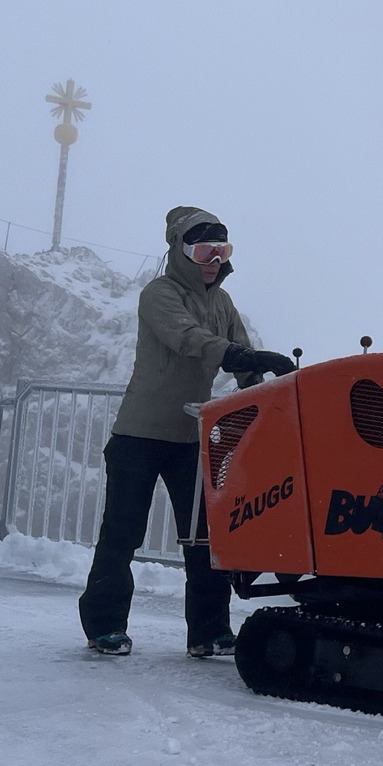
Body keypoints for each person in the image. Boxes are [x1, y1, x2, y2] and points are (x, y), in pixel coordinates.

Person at [79, 206, 295, 658]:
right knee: (123, 534)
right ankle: (104, 626)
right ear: (180, 250)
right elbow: (189, 338)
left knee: (205, 538)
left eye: (221, 249)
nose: (213, 259)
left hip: (192, 438)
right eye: (202, 249)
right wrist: (241, 358)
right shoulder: (159, 293)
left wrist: (259, 390)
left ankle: (209, 631)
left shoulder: (223, 302)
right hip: (139, 435)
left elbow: (242, 358)